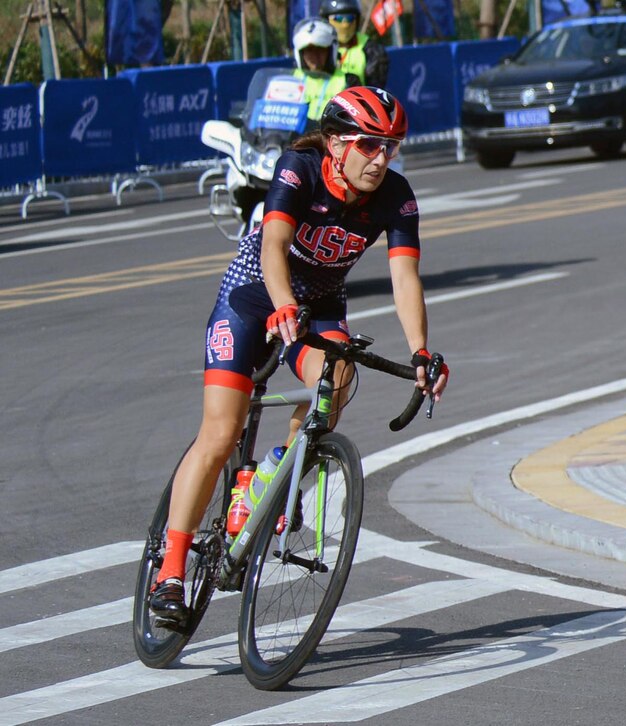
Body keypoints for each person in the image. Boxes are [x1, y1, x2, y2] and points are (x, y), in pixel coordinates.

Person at [148, 86, 449, 627]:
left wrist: (421, 352)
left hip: (320, 304)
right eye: (368, 145)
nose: (381, 159)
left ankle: (265, 480)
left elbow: (405, 276)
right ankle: (170, 571)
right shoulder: (299, 168)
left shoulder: (396, 195)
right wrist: (284, 305)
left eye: (391, 147)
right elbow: (272, 246)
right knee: (221, 432)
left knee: (337, 379)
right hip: (255, 294)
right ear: (335, 143)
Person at [291, 17, 355, 123]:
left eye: (320, 50)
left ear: (330, 52)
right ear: (301, 54)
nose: (314, 56)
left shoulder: (348, 81)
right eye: (309, 50)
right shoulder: (290, 80)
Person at [320, 0, 390, 89]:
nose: (345, 24)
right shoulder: (318, 47)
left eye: (350, 18)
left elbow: (375, 88)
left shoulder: (371, 49)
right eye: (338, 18)